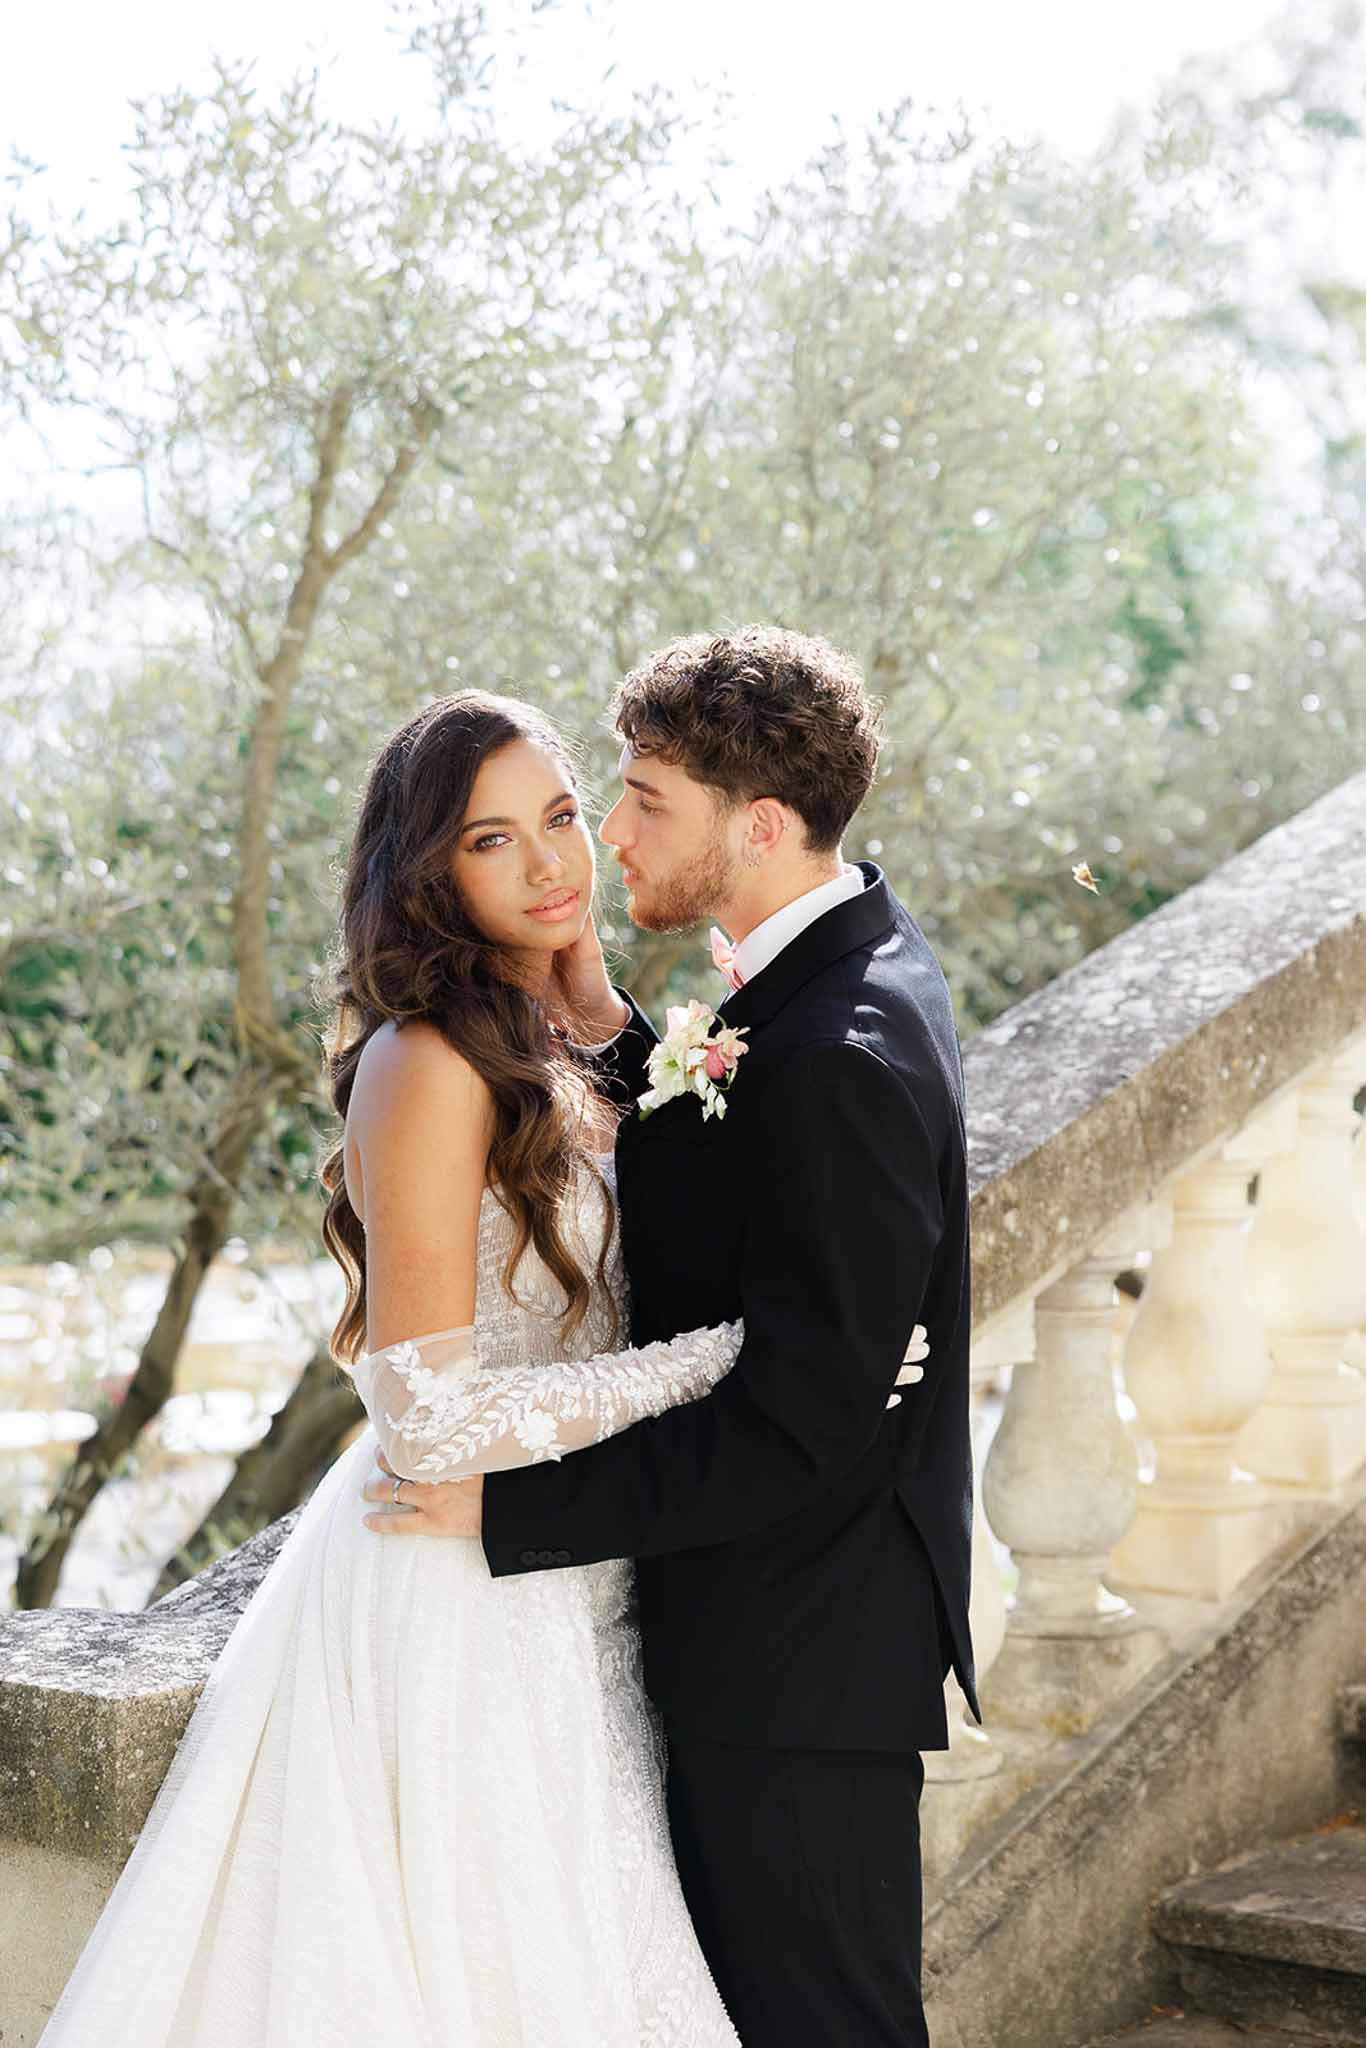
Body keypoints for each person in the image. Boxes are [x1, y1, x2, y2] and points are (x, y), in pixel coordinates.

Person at [37, 690, 758, 2047]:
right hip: (452, 1586)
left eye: (559, 818)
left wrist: (600, 990)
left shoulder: (585, 1037)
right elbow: (424, 1415)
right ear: (429, 873)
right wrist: (707, 1366)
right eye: (494, 842)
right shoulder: (423, 1064)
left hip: (570, 1557)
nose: (550, 863)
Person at [365, 625, 980, 2048]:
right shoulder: (828, 976)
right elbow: (715, 1194)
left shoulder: (838, 1047)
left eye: (632, 804)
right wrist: (605, 1019)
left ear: (755, 826)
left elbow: (803, 1420)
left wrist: (507, 1509)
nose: (601, 843)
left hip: (797, 1662)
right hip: (745, 1637)